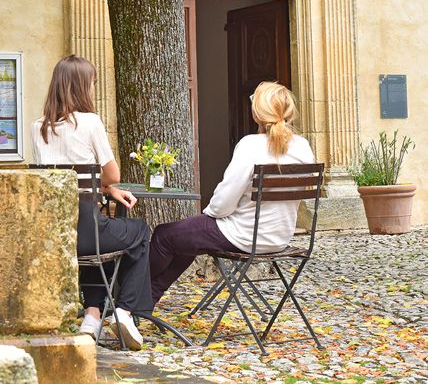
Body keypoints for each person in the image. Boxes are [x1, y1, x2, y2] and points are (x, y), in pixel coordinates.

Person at [149, 81, 315, 306]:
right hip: (279, 237)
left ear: (257, 112)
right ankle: (143, 302)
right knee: (186, 238)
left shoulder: (250, 145)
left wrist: (209, 214)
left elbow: (223, 203)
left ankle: (127, 300)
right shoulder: (302, 146)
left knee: (163, 235)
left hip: (242, 236)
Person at [31, 55, 152, 350]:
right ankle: (123, 312)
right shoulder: (90, 122)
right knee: (137, 231)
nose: (94, 88)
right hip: (89, 231)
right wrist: (109, 186)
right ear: (82, 86)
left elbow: (50, 183)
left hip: (58, 234)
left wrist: (106, 190)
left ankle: (92, 315)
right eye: (93, 83)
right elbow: (113, 172)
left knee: (99, 240)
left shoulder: (38, 127)